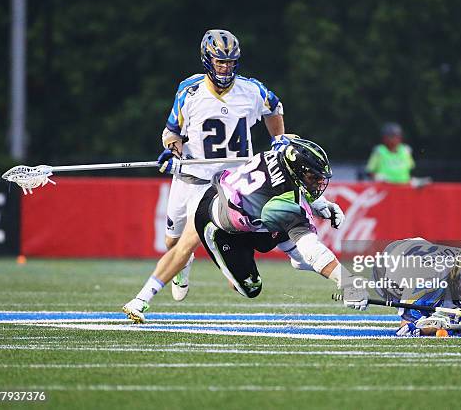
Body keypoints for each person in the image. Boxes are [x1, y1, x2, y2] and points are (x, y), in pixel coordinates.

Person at [123, 138, 368, 323]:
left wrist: (319, 205)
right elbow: (313, 249)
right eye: (313, 177)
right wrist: (347, 282)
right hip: (218, 223)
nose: (318, 183)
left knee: (284, 239)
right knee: (249, 288)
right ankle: (153, 291)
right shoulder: (282, 204)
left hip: (242, 207)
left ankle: (292, 257)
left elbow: (286, 173)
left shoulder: (281, 152)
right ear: (299, 171)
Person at [158, 29, 287, 302]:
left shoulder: (252, 90)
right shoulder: (189, 91)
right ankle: (183, 265)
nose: (226, 67)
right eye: (220, 61)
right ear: (207, 60)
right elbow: (172, 133)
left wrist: (278, 140)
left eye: (230, 62)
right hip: (192, 176)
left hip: (231, 181)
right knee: (172, 242)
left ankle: (235, 268)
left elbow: (274, 108)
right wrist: (173, 152)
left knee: (232, 259)